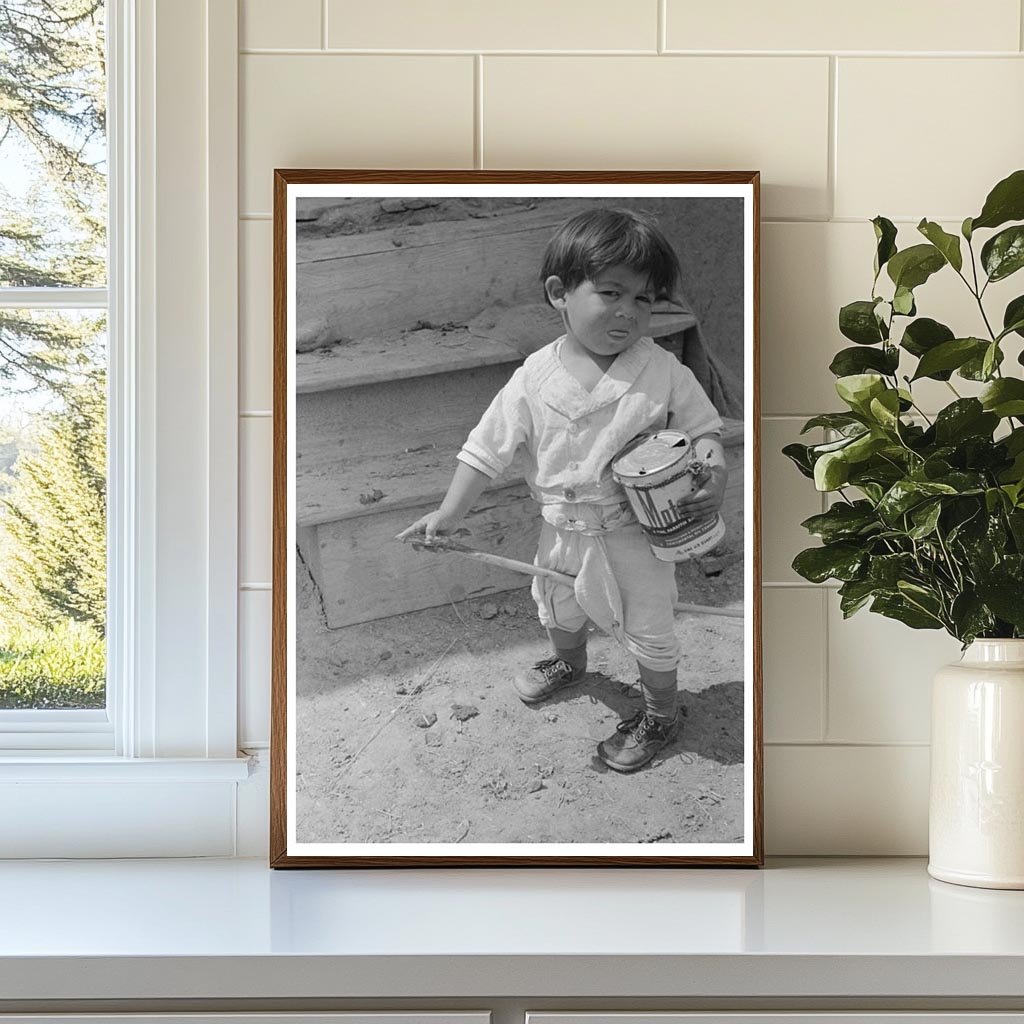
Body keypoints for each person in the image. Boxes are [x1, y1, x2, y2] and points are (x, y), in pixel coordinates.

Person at [398, 207, 727, 772]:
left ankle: (660, 712)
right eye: (610, 293)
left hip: (634, 536)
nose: (627, 311)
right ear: (560, 293)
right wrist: (447, 515)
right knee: (557, 605)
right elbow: (486, 449)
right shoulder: (532, 377)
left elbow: (704, 432)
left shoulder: (664, 371)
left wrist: (713, 473)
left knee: (647, 623)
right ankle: (569, 663)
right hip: (561, 528)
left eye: (644, 299)